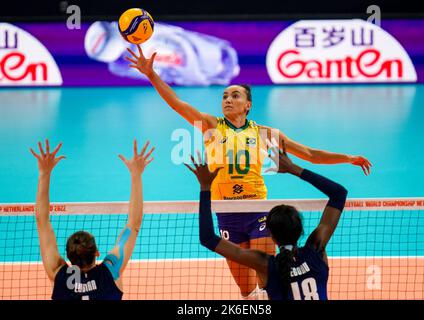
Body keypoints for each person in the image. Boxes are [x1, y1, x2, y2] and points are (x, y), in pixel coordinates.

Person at [126, 46, 370, 298]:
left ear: (248, 105)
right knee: (246, 290)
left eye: (235, 96)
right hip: (227, 214)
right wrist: (151, 75)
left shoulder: (264, 134)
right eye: (224, 96)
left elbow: (308, 153)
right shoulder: (210, 126)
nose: (228, 100)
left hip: (258, 211)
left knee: (267, 279)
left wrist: (348, 158)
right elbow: (177, 105)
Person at [184, 140, 347, 300]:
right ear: (300, 230)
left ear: (271, 235)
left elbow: (207, 238)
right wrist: (293, 168)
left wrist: (205, 187)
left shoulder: (267, 265)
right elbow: (339, 193)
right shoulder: (316, 249)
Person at [30, 139, 154, 300]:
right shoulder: (110, 271)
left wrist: (44, 173)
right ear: (97, 252)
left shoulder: (58, 274)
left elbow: (42, 223)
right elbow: (134, 224)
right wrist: (136, 175)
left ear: (68, 257)